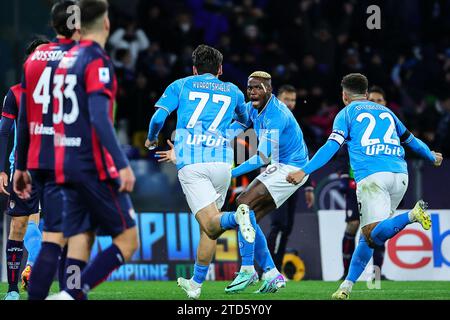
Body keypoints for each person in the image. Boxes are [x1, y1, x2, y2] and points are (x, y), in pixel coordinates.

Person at [286, 73, 443, 299]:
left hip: (373, 178)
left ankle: (412, 215)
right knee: (369, 236)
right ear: (367, 94)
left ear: (344, 95)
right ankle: (347, 286)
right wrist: (430, 155)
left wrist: (305, 170)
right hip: (400, 176)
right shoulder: (388, 112)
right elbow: (412, 141)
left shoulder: (346, 113)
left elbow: (331, 147)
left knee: (373, 233)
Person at [32, 0, 139, 300]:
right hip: (92, 164)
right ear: (106, 24)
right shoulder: (96, 59)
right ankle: (71, 295)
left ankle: (72, 291)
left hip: (64, 162)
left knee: (81, 238)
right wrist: (122, 164)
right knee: (128, 240)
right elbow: (99, 119)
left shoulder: (65, 59)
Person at [145, 44, 252, 300]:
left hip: (193, 165)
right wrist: (226, 135)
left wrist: (151, 140)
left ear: (194, 69)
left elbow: (158, 118)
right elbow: (246, 121)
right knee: (209, 227)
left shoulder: (181, 85)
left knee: (211, 224)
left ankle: (238, 218)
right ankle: (196, 283)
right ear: (220, 69)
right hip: (223, 165)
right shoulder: (233, 90)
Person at [12, 0, 80, 300]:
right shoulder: (77, 62)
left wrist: (20, 164)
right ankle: (65, 286)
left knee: (41, 223)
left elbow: (25, 121)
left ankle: (43, 277)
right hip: (60, 158)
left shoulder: (34, 71)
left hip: (34, 158)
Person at [225, 71, 310, 294]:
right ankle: (272, 274)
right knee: (248, 218)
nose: (252, 91)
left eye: (257, 88)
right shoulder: (252, 106)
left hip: (293, 167)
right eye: (249, 87)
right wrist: (215, 140)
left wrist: (230, 173)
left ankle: (247, 270)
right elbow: (235, 128)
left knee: (243, 203)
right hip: (280, 163)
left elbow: (262, 157)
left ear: (269, 90)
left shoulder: (276, 114)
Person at [0, 38, 50, 300]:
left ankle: (33, 269)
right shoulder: (16, 93)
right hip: (23, 171)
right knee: (19, 226)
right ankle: (12, 290)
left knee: (43, 224)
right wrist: (1, 169)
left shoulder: (60, 93)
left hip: (53, 169)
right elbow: (4, 132)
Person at [338, 86, 389, 280]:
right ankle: (345, 273)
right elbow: (343, 151)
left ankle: (377, 274)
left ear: (385, 104)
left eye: (379, 101)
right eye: (372, 101)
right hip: (357, 184)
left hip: (380, 184)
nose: (376, 104)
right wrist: (344, 177)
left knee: (378, 228)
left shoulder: (388, 124)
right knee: (352, 225)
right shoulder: (358, 123)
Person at [266, 84, 315, 273]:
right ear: (278, 99)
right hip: (273, 179)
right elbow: (259, 152)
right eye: (287, 99)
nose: (291, 104)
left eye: (293, 100)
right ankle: (269, 269)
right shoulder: (269, 119)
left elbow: (301, 155)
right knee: (278, 224)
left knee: (287, 226)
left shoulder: (292, 121)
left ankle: (274, 269)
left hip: (292, 181)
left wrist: (308, 186)